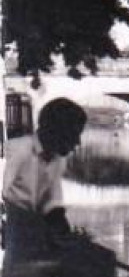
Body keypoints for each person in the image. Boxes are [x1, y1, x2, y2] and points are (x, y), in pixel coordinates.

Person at [3, 98, 88, 263]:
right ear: (57, 131)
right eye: (74, 134)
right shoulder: (18, 152)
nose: (77, 143)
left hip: (39, 255)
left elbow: (53, 210)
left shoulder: (55, 161)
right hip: (21, 260)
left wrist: (69, 237)